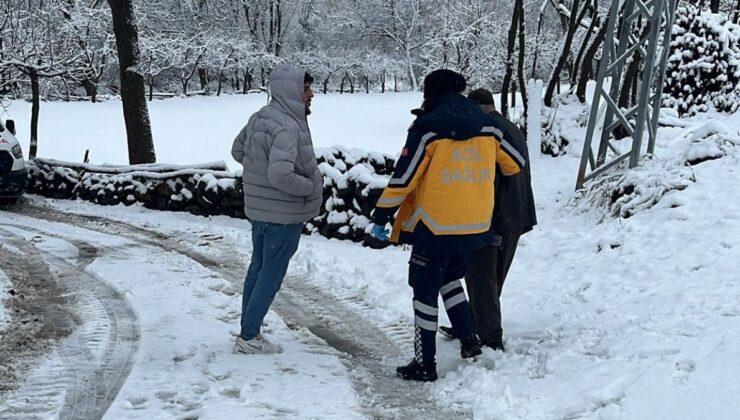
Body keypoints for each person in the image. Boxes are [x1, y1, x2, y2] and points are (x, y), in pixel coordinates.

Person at [370, 70, 527, 381]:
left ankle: (424, 364)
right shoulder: (489, 128)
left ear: (432, 94)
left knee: (423, 289)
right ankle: (470, 344)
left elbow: (404, 177)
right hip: (477, 226)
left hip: (436, 226)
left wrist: (381, 215)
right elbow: (515, 163)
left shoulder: (427, 128)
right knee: (451, 279)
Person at [230, 64, 323, 354]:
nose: (311, 94)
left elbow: (237, 150)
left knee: (258, 270)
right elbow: (280, 175)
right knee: (270, 276)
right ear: (293, 90)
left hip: (260, 212)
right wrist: (309, 187)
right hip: (283, 215)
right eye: (306, 88)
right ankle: (248, 337)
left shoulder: (261, 117)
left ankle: (249, 330)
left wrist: (258, 178)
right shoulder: (287, 126)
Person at [439, 88, 537, 352]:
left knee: (481, 276)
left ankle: (490, 336)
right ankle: (471, 323)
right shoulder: (511, 127)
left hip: (493, 213)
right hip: (518, 211)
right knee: (494, 274)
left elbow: (484, 175)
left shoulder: (485, 130)